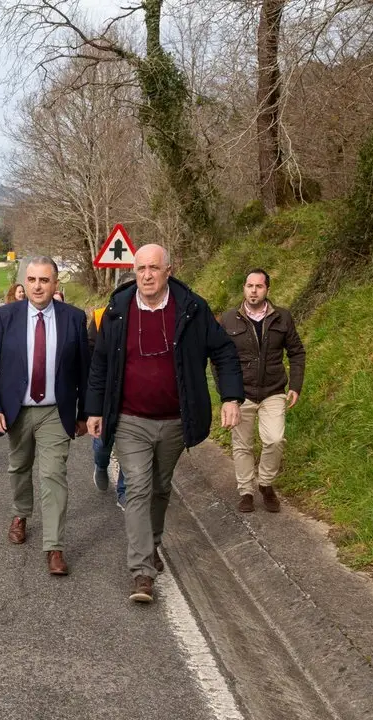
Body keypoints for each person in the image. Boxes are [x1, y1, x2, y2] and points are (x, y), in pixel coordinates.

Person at [86, 244, 244, 603]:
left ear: (169, 270)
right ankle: (142, 572)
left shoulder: (192, 308)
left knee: (159, 487)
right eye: (140, 268)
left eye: (154, 268)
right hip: (130, 419)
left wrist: (231, 397)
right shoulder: (118, 310)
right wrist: (94, 410)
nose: (146, 275)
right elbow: (100, 363)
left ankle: (152, 542)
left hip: (175, 420)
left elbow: (223, 351)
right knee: (138, 487)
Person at [0, 256, 90, 576]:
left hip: (56, 411)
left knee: (53, 475)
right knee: (19, 466)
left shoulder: (73, 318)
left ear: (56, 284)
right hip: (17, 410)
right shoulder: (5, 317)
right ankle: (20, 513)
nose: (38, 286)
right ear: (23, 284)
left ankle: (54, 546)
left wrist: (86, 413)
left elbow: (85, 370)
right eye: (32, 280)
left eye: (44, 280)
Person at [219, 269, 306, 513]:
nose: (253, 290)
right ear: (244, 288)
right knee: (242, 444)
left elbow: (297, 352)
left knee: (275, 439)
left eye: (259, 286)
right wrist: (227, 396)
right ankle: (246, 490)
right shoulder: (229, 319)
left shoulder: (282, 318)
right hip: (240, 392)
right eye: (249, 286)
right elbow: (219, 359)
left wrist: (295, 386)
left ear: (267, 289)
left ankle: (266, 483)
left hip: (274, 390)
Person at [87, 271, 135, 509]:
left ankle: (124, 490)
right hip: (107, 395)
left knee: (130, 445)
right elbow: (92, 359)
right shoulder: (100, 317)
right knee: (103, 444)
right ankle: (101, 463)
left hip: (133, 398)